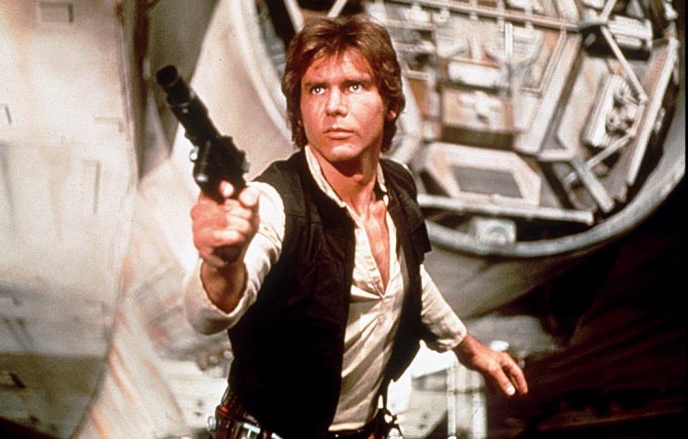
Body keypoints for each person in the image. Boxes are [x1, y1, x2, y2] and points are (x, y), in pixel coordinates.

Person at [183, 14, 528, 439]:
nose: (334, 107)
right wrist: (221, 263)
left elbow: (410, 278)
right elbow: (206, 314)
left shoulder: (398, 184)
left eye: (354, 86)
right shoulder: (276, 202)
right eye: (316, 89)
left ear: (391, 104)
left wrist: (468, 348)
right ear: (300, 109)